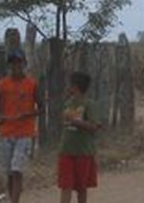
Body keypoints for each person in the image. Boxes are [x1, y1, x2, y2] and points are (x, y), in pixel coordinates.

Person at [0, 48, 42, 203]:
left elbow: (41, 108)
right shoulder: (2, 85)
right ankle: (12, 197)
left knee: (17, 170)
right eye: (13, 64)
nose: (16, 67)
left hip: (24, 133)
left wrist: (28, 114)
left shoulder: (31, 84)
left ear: (24, 64)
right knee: (9, 173)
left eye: (19, 63)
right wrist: (1, 118)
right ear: (9, 66)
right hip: (6, 132)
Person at [58, 71, 105, 203]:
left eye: (70, 85)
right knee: (65, 185)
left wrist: (75, 121)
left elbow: (94, 127)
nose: (68, 87)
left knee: (81, 187)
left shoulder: (89, 105)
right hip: (66, 150)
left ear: (75, 87)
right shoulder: (68, 103)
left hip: (83, 152)